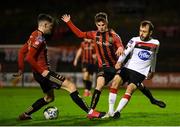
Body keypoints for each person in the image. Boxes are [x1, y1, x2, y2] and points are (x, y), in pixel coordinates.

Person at [14, 13, 89, 120]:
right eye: (50, 26)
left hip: (37, 74)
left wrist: (21, 69)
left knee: (49, 98)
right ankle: (90, 112)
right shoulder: (39, 37)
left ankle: (25, 114)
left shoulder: (33, 35)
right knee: (71, 86)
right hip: (44, 73)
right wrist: (42, 71)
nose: (51, 28)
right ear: (44, 24)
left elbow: (22, 52)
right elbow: (29, 57)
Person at [61, 12, 124, 119]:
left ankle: (113, 110)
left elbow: (120, 45)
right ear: (96, 24)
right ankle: (91, 112)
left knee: (128, 85)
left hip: (115, 67)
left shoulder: (114, 36)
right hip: (103, 67)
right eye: (99, 25)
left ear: (106, 23)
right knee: (98, 86)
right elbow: (80, 34)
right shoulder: (94, 34)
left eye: (103, 24)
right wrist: (69, 22)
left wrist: (120, 48)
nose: (101, 27)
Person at [106, 20, 166, 119]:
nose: (141, 33)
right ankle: (110, 111)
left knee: (130, 89)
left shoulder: (155, 43)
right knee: (115, 82)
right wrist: (119, 61)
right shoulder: (134, 40)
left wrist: (152, 70)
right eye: (140, 30)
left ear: (150, 32)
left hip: (140, 72)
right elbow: (125, 51)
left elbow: (154, 57)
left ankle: (117, 111)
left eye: (144, 31)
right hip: (128, 67)